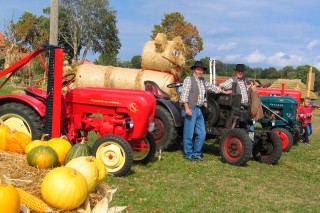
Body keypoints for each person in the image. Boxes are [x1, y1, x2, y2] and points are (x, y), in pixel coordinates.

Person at [180, 61, 230, 161]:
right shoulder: (189, 80)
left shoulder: (203, 81)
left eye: (201, 70)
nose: (200, 71)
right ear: (194, 70)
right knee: (189, 133)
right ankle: (188, 154)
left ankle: (197, 153)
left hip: (199, 109)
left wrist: (223, 91)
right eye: (198, 69)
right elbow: (184, 95)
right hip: (190, 108)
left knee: (202, 133)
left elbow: (212, 87)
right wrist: (187, 108)